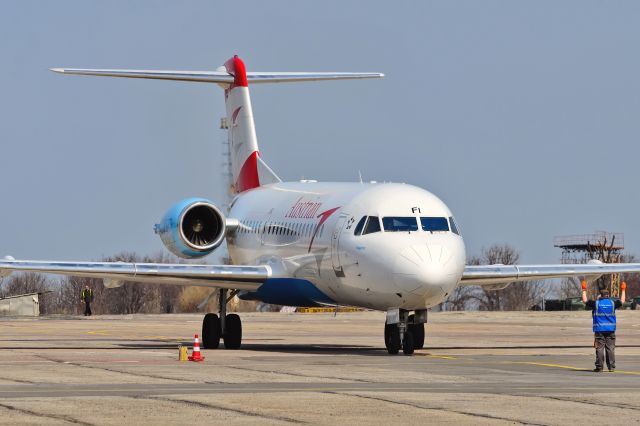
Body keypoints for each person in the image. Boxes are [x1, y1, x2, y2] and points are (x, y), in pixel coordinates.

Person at [581, 281, 626, 372]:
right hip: (610, 330)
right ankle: (611, 367)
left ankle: (599, 367)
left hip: (599, 330)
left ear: (600, 295)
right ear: (608, 295)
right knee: (610, 349)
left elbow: (585, 300)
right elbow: (622, 301)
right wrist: (623, 290)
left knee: (600, 348)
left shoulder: (596, 304)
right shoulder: (613, 304)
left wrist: (584, 289)